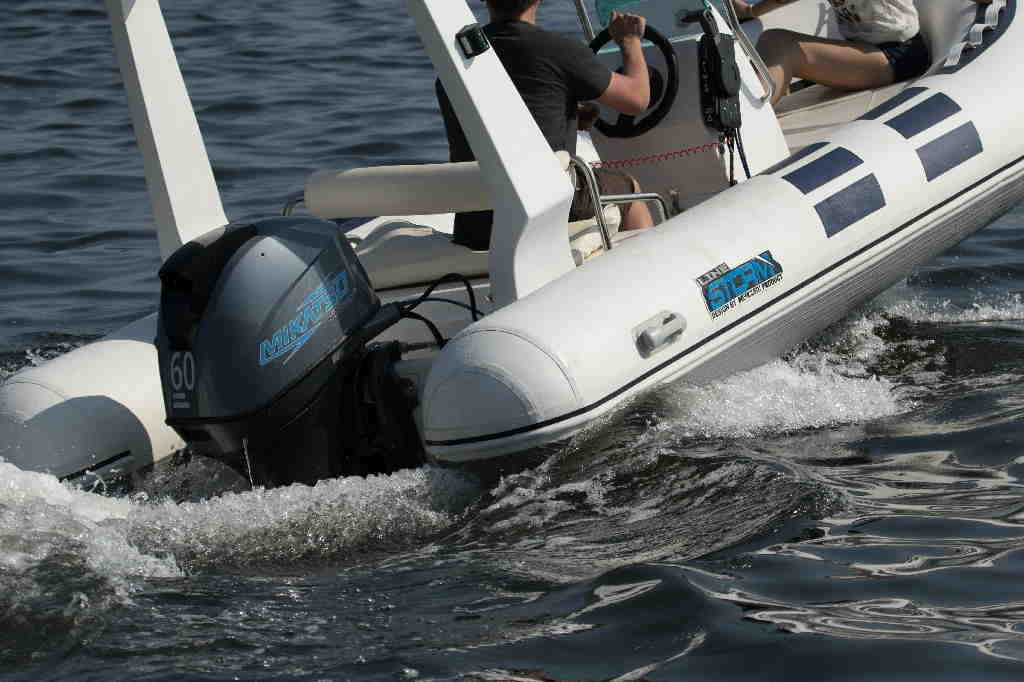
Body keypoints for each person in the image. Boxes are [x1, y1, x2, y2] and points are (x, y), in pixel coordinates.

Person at [437, 0, 655, 251]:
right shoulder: (559, 50)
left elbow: (504, 116)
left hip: (475, 224)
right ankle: (645, 266)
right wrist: (630, 42)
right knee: (628, 187)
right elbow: (637, 99)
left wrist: (570, 114)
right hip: (547, 210)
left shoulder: (457, 65)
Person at [731, 0, 993, 106]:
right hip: (867, 53)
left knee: (779, 45)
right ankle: (748, 116)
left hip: (899, 54)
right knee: (775, 43)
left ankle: (752, 118)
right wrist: (751, 11)